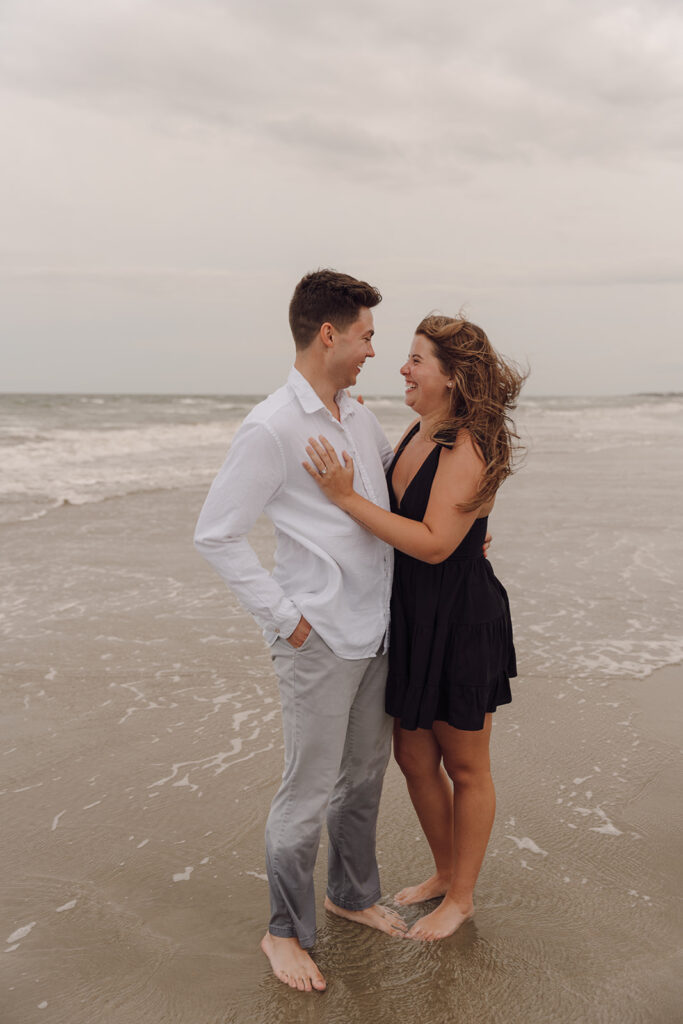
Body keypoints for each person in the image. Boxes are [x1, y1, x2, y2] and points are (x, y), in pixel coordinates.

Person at [193, 269, 408, 995]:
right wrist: (286, 621)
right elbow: (216, 534)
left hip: (374, 629)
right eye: (366, 336)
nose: (372, 351)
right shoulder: (271, 427)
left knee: (363, 781)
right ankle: (282, 930)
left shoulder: (359, 417)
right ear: (329, 334)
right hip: (315, 639)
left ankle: (351, 894)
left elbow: (390, 500)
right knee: (306, 793)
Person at [304, 313, 524, 941]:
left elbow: (431, 543)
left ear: (452, 377)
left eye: (417, 359)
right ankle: (444, 870)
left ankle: (462, 898)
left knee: (466, 762)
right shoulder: (416, 431)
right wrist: (342, 410)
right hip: (415, 615)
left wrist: (347, 498)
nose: (403, 367)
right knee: (413, 754)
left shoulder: (470, 443)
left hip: (460, 618)